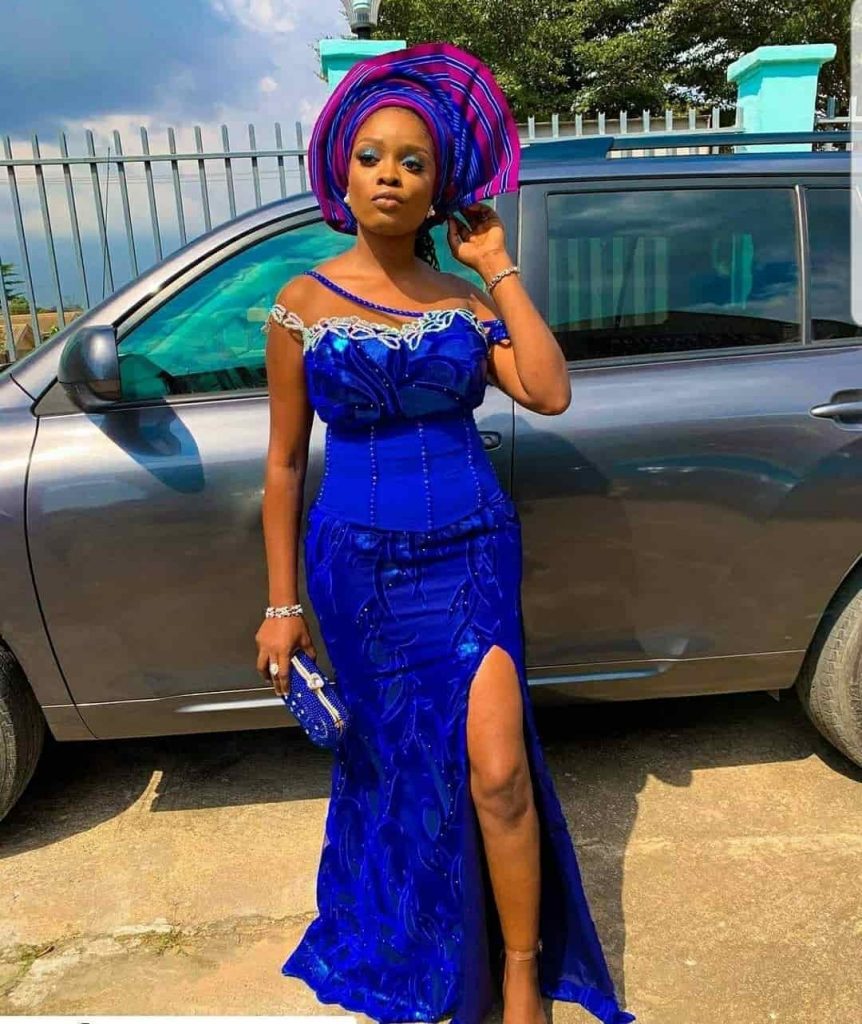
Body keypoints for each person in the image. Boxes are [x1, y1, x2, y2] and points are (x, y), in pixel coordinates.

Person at [257, 40, 636, 1024]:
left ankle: (519, 970)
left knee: (498, 773)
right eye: (371, 156)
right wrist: (282, 606)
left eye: (412, 162)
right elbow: (284, 465)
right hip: (360, 572)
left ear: (438, 189)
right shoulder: (299, 306)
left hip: (471, 554)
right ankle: (421, 947)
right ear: (343, 173)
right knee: (402, 773)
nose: (389, 174)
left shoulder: (467, 303)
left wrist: (496, 265)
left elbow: (547, 390)